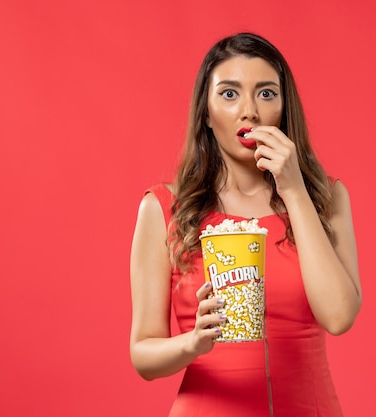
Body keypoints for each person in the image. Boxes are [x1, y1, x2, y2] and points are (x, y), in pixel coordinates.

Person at [129, 32, 362, 417]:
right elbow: (143, 354)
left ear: (284, 109)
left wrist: (294, 190)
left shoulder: (327, 197)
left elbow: (339, 316)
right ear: (205, 111)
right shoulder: (165, 209)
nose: (249, 111)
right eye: (229, 93)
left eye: (267, 93)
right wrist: (193, 343)